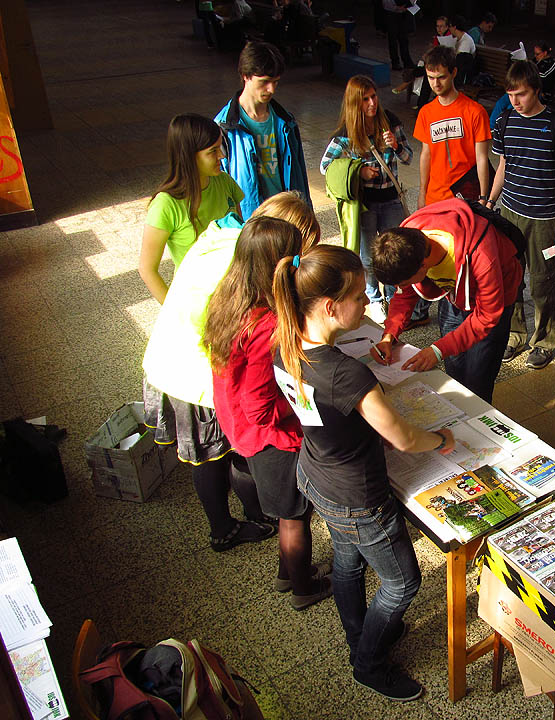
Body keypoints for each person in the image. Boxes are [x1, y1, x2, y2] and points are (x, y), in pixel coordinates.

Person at [272, 244, 456, 702]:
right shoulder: (347, 374)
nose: (368, 304)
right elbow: (402, 437)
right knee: (402, 582)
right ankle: (369, 663)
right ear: (331, 307)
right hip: (358, 494)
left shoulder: (285, 338)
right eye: (359, 296)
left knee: (348, 561)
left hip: (318, 474)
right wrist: (443, 440)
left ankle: (358, 636)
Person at [142, 196, 320, 554]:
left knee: (233, 450)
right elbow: (257, 394)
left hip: (196, 361)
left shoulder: (230, 242)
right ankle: (222, 530)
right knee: (211, 456)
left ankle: (257, 513)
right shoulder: (244, 277)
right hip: (189, 373)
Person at [204, 210, 333, 611]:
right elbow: (259, 403)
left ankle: (286, 573)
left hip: (240, 429)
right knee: (295, 515)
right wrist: (291, 436)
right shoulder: (267, 325)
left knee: (284, 512)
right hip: (269, 437)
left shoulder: (230, 297)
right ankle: (302, 588)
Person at [369, 198, 523, 402]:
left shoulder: (481, 253)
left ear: (423, 267)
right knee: (455, 370)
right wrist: (389, 336)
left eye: (406, 281)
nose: (403, 286)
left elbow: (487, 317)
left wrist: (436, 350)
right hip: (455, 295)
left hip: (493, 302)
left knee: (478, 380)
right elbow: (405, 293)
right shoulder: (408, 238)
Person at [489, 61, 555, 370]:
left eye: (522, 94)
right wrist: (489, 202)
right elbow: (502, 166)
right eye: (510, 94)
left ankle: (544, 341)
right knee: (510, 278)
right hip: (509, 213)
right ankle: (515, 334)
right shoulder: (504, 122)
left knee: (542, 281)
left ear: (537, 91)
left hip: (544, 218)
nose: (515, 101)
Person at [320, 75, 413, 323]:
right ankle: (374, 298)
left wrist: (396, 146)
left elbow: (408, 158)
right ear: (355, 103)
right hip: (364, 204)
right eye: (365, 99)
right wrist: (358, 171)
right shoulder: (346, 134)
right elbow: (326, 166)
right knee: (368, 256)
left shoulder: (389, 121)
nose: (372, 103)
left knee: (396, 251)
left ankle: (395, 296)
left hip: (391, 197)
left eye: (374, 96)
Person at [139, 114, 244, 304]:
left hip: (234, 296)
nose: (221, 155)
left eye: (220, 147)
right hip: (195, 302)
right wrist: (174, 312)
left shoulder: (225, 182)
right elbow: (147, 269)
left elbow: (242, 236)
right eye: (212, 151)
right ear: (189, 155)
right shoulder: (165, 205)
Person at [215, 42, 311, 222]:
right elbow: (218, 187)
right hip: (251, 224)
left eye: (275, 82)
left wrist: (306, 214)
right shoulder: (224, 127)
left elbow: (300, 177)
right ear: (246, 76)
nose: (271, 89)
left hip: (286, 217)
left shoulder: (286, 122)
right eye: (264, 82)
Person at [414, 46, 492, 209]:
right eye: (431, 78)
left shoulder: (475, 111)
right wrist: (422, 193)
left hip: (466, 198)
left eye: (441, 77)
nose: (436, 84)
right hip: (434, 198)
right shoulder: (426, 113)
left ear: (454, 72)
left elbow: (482, 158)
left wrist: (484, 198)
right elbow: (426, 155)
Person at [382, 0, 416, 71]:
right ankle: (395, 62)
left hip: (404, 13)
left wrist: (409, 6)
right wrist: (396, 8)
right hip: (391, 13)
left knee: (404, 39)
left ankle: (407, 61)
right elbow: (386, 3)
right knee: (392, 39)